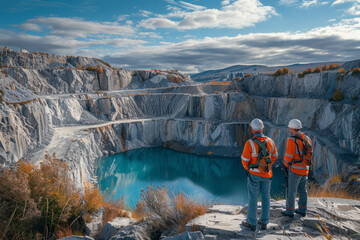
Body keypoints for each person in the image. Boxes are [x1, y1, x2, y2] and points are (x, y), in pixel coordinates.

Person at [241, 118, 278, 231]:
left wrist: (248, 168)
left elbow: (245, 160)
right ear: (262, 128)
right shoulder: (270, 141)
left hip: (254, 175)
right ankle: (264, 222)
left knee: (253, 198)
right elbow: (275, 156)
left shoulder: (250, 143)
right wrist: (267, 165)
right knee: (266, 198)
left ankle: (251, 223)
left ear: (252, 130)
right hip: (267, 174)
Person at [281, 119, 313, 218]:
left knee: (291, 191)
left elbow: (288, 156)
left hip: (295, 170)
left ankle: (289, 211)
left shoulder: (292, 140)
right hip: (305, 169)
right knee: (303, 190)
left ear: (291, 128)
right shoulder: (307, 138)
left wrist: (285, 164)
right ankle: (302, 210)